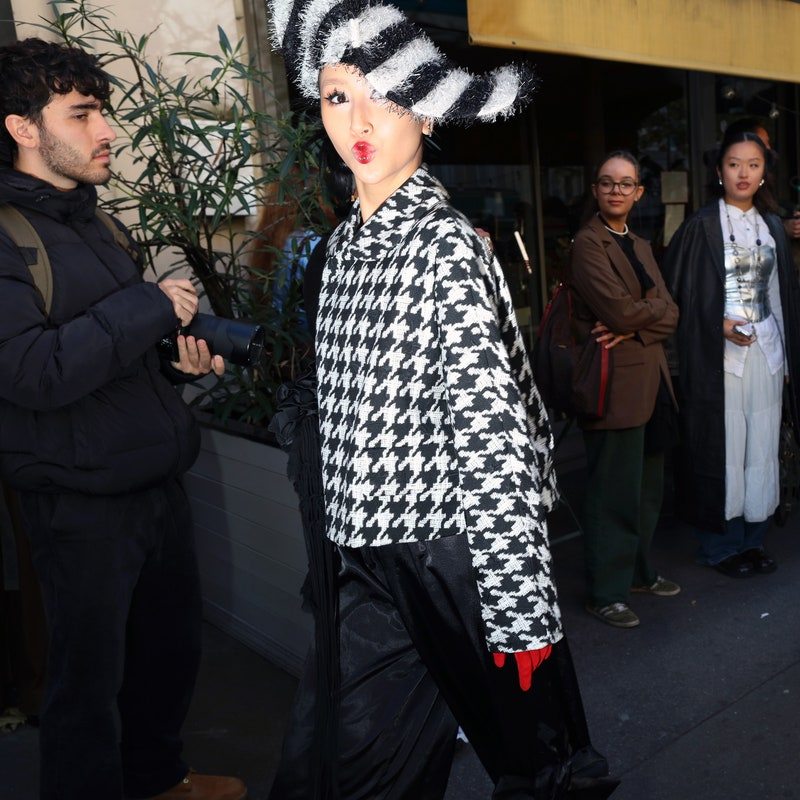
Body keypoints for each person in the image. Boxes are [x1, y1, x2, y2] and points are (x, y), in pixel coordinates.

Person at [265, 2, 619, 798]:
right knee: (344, 763)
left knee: (531, 765)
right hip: (361, 554)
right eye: (336, 96)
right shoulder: (340, 247)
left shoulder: (444, 246)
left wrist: (521, 609)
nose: (359, 121)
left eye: (385, 96)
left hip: (444, 556)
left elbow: (492, 439)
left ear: (425, 111)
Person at [0, 39, 246, 800]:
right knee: (87, 689)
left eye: (102, 111)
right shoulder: (7, 235)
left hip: (154, 484)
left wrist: (179, 361)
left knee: (167, 657)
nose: (107, 130)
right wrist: (145, 304)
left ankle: (159, 779)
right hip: (78, 503)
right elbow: (30, 372)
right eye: (82, 113)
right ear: (23, 129)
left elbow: (120, 355)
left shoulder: (96, 224)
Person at [663, 128, 800, 577]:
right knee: (723, 450)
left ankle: (753, 539)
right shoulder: (701, 226)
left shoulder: (773, 225)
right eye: (734, 164)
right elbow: (676, 295)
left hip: (766, 350)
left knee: (761, 446)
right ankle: (721, 545)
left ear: (765, 175)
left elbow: (781, 296)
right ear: (719, 171)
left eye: (753, 165)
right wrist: (716, 324)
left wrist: (785, 359)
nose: (744, 173)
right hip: (717, 354)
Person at [567, 151, 680, 629]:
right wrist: (643, 315)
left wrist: (640, 319)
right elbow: (619, 312)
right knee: (612, 493)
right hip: (613, 387)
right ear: (595, 189)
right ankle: (605, 592)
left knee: (647, 489)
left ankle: (638, 572)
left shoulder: (639, 242)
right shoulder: (587, 244)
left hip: (652, 382)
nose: (616, 190)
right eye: (607, 182)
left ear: (639, 193)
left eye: (626, 183)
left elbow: (671, 313)